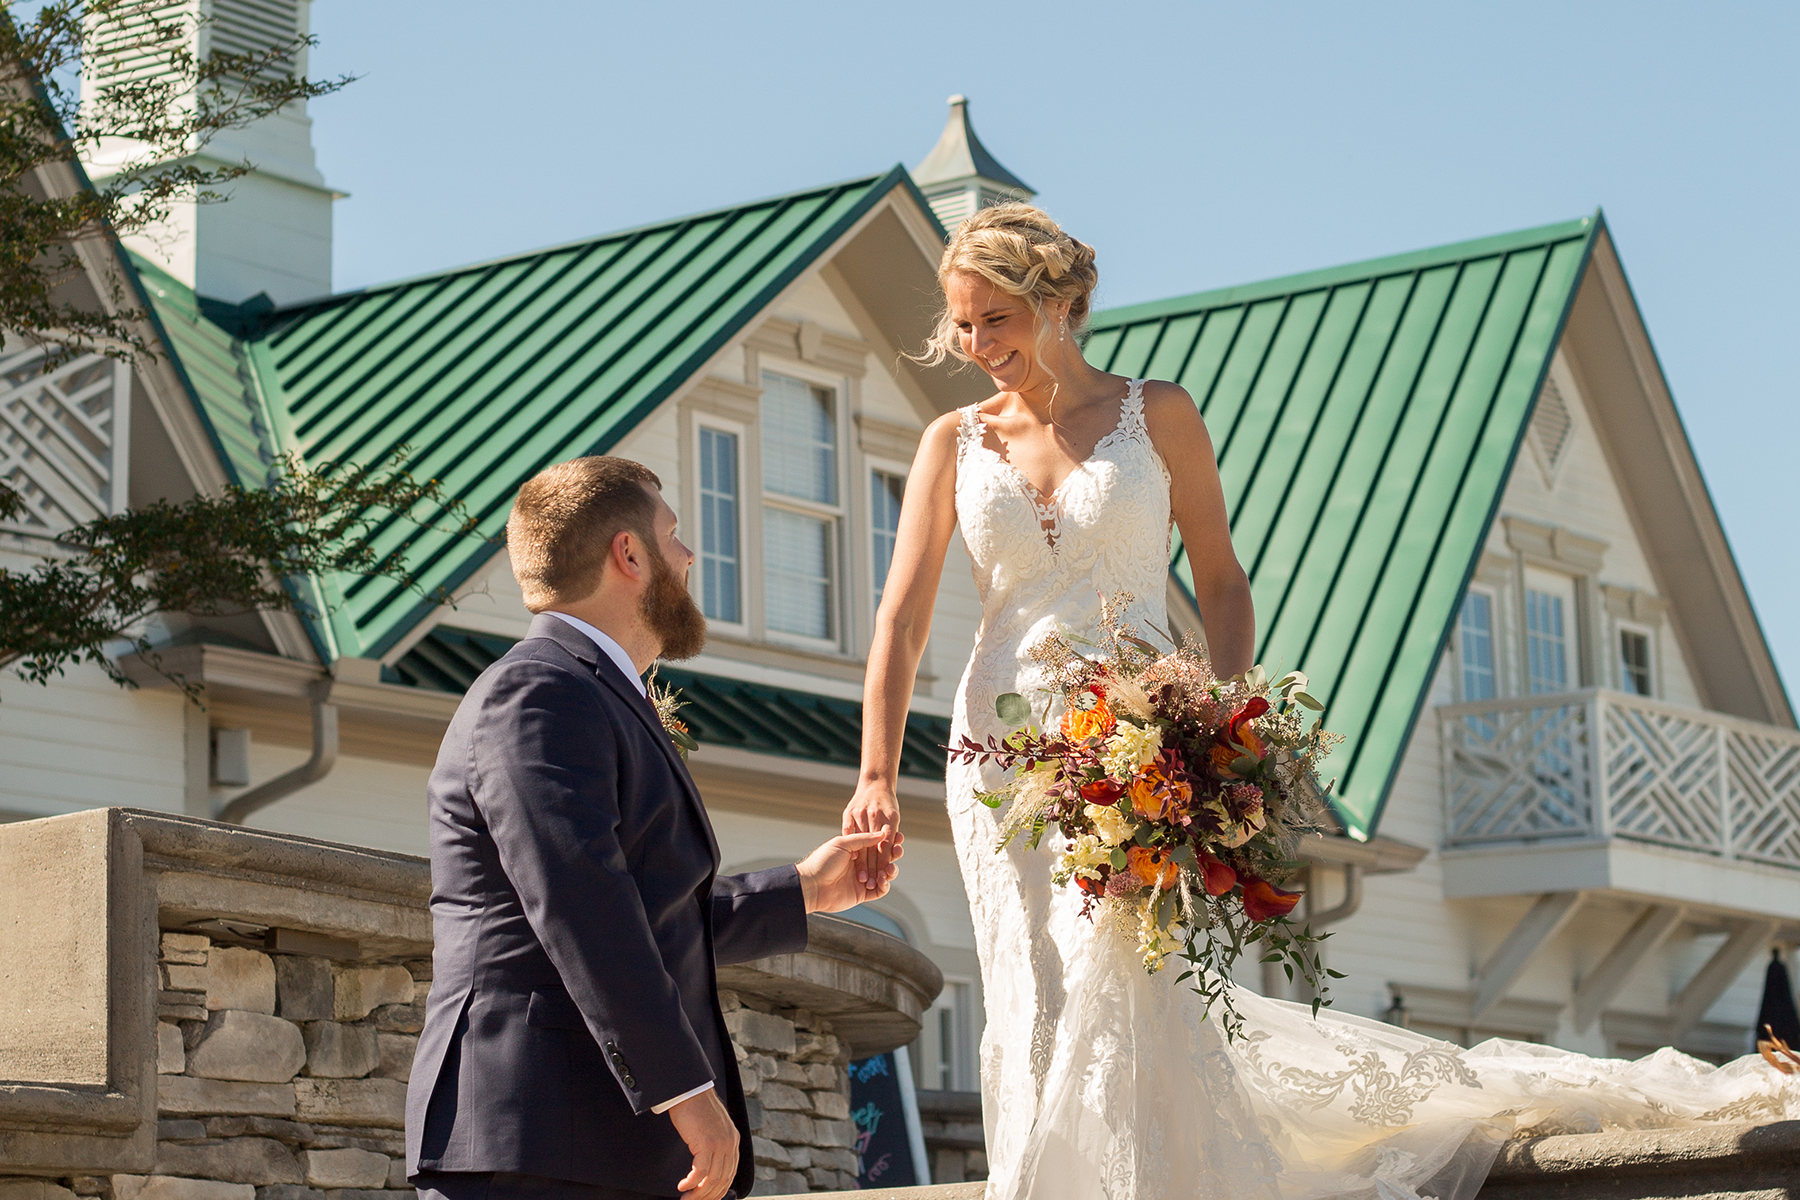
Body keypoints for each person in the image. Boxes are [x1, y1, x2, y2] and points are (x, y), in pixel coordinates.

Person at [840, 204, 1797, 1199]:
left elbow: (1220, 583)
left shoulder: (1154, 414)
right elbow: (901, 618)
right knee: (1025, 974)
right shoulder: (951, 442)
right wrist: (873, 772)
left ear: (1058, 306)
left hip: (1135, 739)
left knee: (1114, 969)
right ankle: (1037, 1177)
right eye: (963, 323)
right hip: (999, 755)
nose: (977, 345)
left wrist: (1211, 720)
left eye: (996, 318)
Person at [406, 457, 902, 1200]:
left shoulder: (593, 692)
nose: (691, 556)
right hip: (538, 1140)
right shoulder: (537, 691)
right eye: (673, 536)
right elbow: (581, 906)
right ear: (628, 555)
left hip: (594, 1146)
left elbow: (642, 918)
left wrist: (801, 892)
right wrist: (683, 1089)